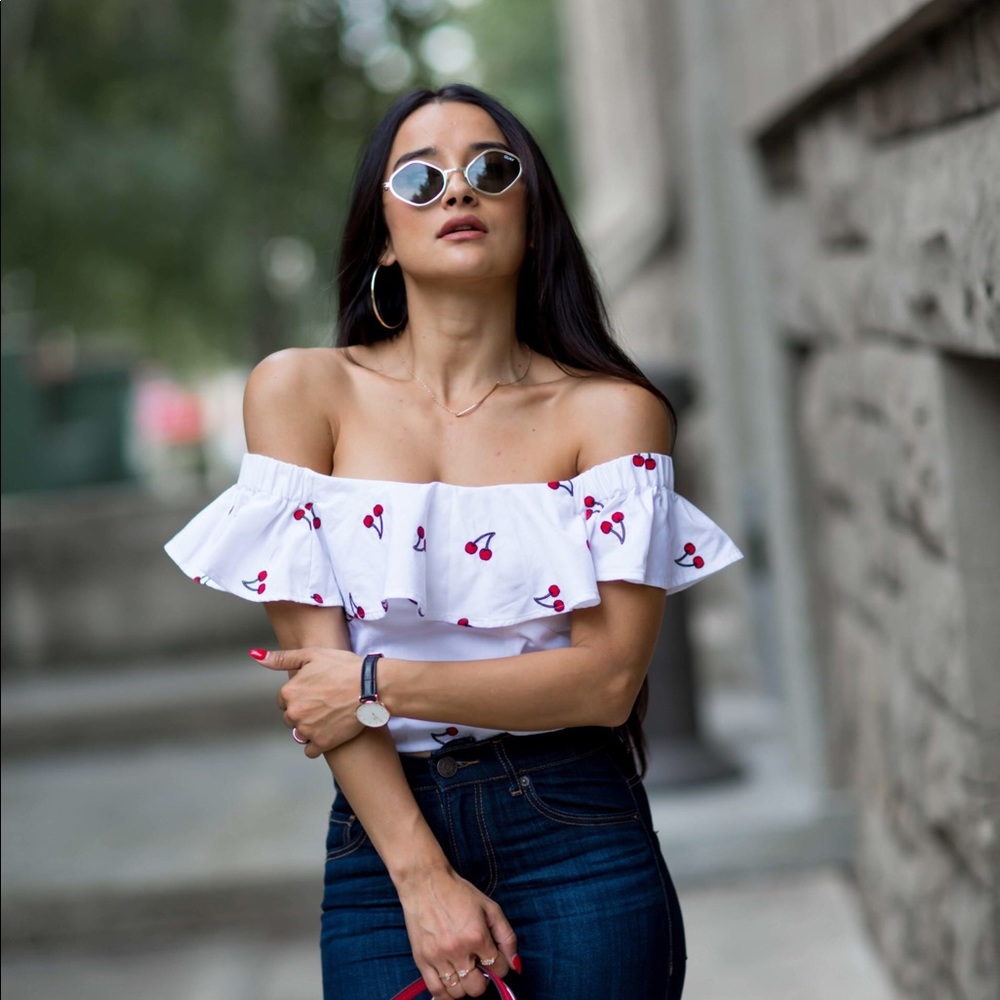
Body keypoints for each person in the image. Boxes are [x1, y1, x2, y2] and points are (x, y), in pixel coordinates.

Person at [165, 83, 742, 1000]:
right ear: (383, 234)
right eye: (420, 178)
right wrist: (422, 877)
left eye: (490, 169)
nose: (457, 192)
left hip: (577, 835)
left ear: (532, 215)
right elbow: (316, 687)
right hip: (382, 845)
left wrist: (372, 682)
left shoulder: (613, 413)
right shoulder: (301, 394)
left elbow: (604, 683)